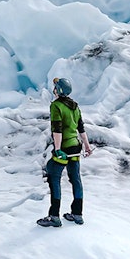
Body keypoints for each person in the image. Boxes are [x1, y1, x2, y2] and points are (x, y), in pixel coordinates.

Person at [37, 77, 92, 227]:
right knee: (76, 179)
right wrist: (87, 146)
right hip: (76, 147)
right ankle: (77, 214)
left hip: (65, 148)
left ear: (58, 90)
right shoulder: (75, 106)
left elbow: (57, 129)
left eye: (55, 87)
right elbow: (81, 128)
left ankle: (54, 216)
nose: (53, 89)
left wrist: (58, 149)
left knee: (53, 174)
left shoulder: (56, 106)